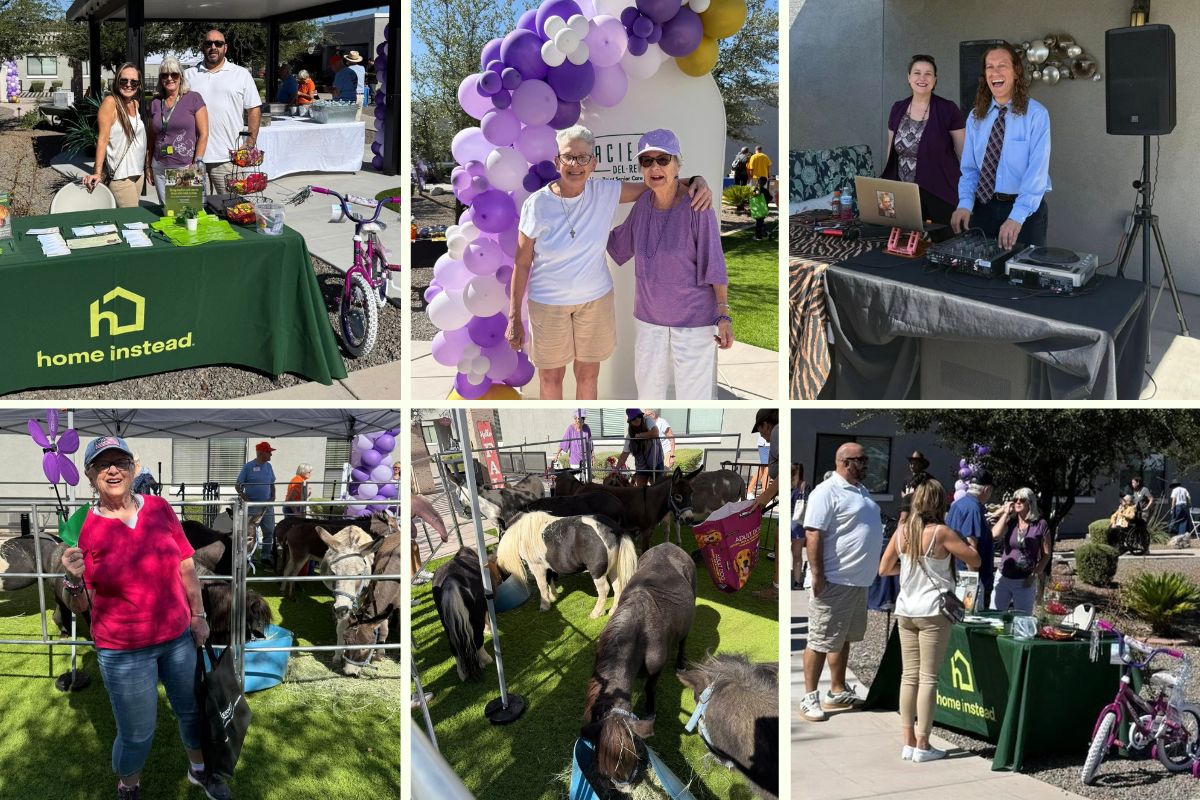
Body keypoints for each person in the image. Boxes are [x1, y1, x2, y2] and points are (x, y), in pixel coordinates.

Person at [60, 436, 231, 800]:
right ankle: (128, 786)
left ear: (133, 468)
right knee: (137, 731)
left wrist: (198, 615)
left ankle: (199, 770)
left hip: (177, 639)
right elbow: (79, 606)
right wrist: (73, 581)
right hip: (123, 650)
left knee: (189, 711)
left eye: (120, 461)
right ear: (90, 476)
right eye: (102, 464)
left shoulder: (159, 508)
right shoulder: (83, 527)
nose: (112, 469)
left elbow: (185, 564)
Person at [506, 125, 712, 399]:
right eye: (568, 156)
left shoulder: (605, 191)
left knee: (588, 375)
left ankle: (584, 424)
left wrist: (698, 180)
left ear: (593, 164)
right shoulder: (537, 204)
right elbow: (521, 264)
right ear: (557, 161)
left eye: (583, 158)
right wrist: (513, 319)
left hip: (595, 301)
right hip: (547, 304)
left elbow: (657, 182)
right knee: (551, 377)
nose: (575, 164)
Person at [607, 129, 732, 399]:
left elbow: (715, 262)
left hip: (693, 320)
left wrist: (723, 314)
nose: (655, 167)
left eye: (663, 159)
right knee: (647, 396)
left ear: (677, 164)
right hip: (649, 320)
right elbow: (617, 244)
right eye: (647, 161)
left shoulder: (697, 204)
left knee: (694, 397)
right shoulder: (642, 204)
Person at [878, 478, 980, 763]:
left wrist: (910, 569)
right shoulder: (942, 533)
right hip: (933, 611)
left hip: (906, 609)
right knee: (929, 678)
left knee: (908, 676)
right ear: (939, 503)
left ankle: (908, 741)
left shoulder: (902, 532)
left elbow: (885, 569)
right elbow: (975, 559)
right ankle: (923, 743)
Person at [801, 441, 882, 722]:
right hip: (834, 580)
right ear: (845, 462)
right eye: (862, 460)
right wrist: (818, 575)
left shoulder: (861, 491)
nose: (866, 464)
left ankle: (836, 690)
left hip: (857, 582)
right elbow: (813, 534)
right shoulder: (826, 492)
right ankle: (809, 696)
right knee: (820, 640)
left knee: (843, 638)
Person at [951, 42, 1052, 249]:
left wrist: (1017, 217)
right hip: (984, 209)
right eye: (990, 67)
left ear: (1016, 71)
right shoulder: (975, 117)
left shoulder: (1036, 115)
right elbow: (970, 170)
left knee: (1021, 278)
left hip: (1024, 214)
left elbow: (1037, 174)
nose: (995, 72)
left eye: (1002, 65)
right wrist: (964, 204)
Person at [880, 54, 966, 226]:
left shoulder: (948, 109)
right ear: (909, 77)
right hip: (904, 192)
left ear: (935, 79)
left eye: (928, 74)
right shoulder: (898, 109)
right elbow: (891, 154)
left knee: (943, 244)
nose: (922, 78)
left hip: (939, 192)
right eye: (917, 73)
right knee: (902, 246)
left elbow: (963, 155)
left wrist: (966, 198)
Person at [185, 29, 261, 197]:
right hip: (192, 158)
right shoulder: (188, 75)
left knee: (233, 206)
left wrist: (250, 142)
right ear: (202, 47)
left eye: (218, 43)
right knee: (191, 211)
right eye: (208, 43)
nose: (213, 47)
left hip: (228, 158)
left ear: (225, 48)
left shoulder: (241, 74)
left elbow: (254, 109)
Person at [82, 63, 147, 208]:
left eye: (134, 82)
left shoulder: (135, 104)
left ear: (139, 84)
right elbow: (103, 139)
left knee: (127, 222)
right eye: (124, 80)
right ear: (117, 81)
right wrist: (97, 172)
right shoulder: (110, 103)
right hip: (121, 177)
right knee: (133, 220)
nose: (129, 85)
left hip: (137, 174)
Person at [147, 56, 208, 208]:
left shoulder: (193, 98)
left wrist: (197, 162)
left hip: (185, 167)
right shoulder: (155, 102)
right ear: (160, 79)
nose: (169, 78)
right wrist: (148, 165)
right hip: (159, 166)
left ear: (181, 76)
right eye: (164, 75)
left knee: (187, 213)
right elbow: (151, 137)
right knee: (168, 211)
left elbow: (204, 133)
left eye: (174, 74)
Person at [990, 486, 1051, 613]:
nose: (1017, 502)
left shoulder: (1040, 524)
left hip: (1025, 581)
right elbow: (994, 535)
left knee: (1022, 620)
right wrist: (1006, 512)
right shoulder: (1011, 522)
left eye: (1022, 500)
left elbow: (1046, 554)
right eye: (1015, 499)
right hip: (1003, 578)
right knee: (995, 615)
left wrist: (1034, 575)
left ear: (1030, 503)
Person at [945, 469, 995, 610]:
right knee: (969, 619)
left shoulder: (957, 505)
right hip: (967, 580)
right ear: (987, 489)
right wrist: (974, 587)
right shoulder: (973, 509)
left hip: (954, 574)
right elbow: (970, 549)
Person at [750, 409, 781, 600]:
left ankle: (778, 589)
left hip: (794, 494)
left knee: (783, 537)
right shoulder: (780, 431)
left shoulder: (778, 431)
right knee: (780, 537)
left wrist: (766, 496)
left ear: (765, 425)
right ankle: (778, 586)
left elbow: (788, 466)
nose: (761, 435)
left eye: (760, 430)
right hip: (789, 492)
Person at [236, 441, 277, 567]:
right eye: (269, 452)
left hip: (267, 506)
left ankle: (265, 556)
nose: (271, 454)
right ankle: (250, 558)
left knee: (269, 531)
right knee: (251, 532)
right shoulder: (248, 467)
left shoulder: (268, 466)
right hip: (253, 507)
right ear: (261, 453)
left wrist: (273, 495)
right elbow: (238, 485)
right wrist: (245, 497)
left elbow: (272, 484)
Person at [616, 408, 664, 487]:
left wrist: (639, 436)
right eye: (634, 418)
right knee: (641, 491)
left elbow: (655, 433)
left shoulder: (647, 420)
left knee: (658, 488)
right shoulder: (629, 436)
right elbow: (624, 454)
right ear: (630, 421)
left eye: (639, 416)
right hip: (641, 466)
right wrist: (616, 469)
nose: (637, 419)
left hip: (656, 462)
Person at [557, 410, 594, 482]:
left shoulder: (587, 428)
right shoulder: (570, 429)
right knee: (576, 480)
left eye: (583, 418)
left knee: (587, 480)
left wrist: (593, 455)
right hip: (575, 459)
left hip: (586, 458)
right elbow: (564, 441)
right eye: (579, 418)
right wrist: (557, 454)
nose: (581, 420)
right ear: (575, 418)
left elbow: (590, 443)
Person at [792, 463, 808, 590]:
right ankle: (797, 582)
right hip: (798, 523)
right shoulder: (804, 486)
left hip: (785, 520)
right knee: (797, 556)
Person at [748, 429, 770, 499]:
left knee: (763, 468)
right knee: (766, 468)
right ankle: (765, 493)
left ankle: (749, 491)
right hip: (765, 444)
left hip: (770, 443)